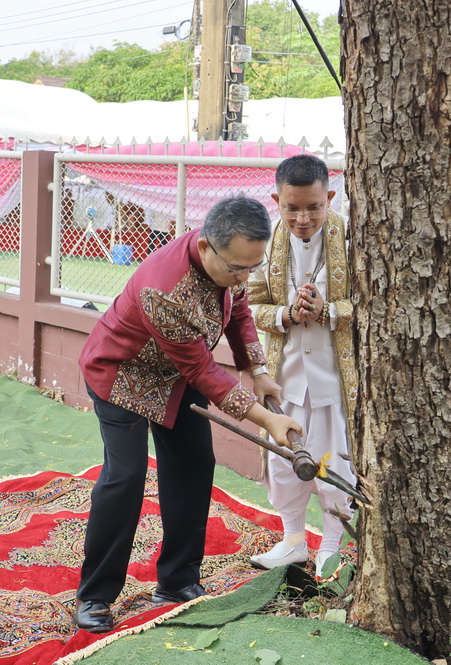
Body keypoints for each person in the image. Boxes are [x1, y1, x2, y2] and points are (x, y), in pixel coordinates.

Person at [74, 195, 302, 634]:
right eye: (237, 269)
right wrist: (266, 419)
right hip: (122, 373)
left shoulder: (232, 257)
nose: (244, 277)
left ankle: (177, 581)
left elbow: (239, 311)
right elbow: (202, 371)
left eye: (252, 268)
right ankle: (95, 595)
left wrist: (257, 370)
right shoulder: (164, 289)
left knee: (195, 463)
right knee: (125, 477)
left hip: (175, 376)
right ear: (204, 247)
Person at [247, 154, 358, 578]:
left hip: (335, 379)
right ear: (277, 201)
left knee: (335, 462)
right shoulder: (266, 241)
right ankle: (293, 539)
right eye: (292, 208)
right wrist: (286, 315)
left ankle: (331, 545)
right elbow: (251, 305)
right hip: (286, 376)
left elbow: (371, 302)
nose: (303, 218)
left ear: (330, 198)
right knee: (282, 459)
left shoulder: (351, 238)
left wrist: (329, 311)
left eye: (313, 207)